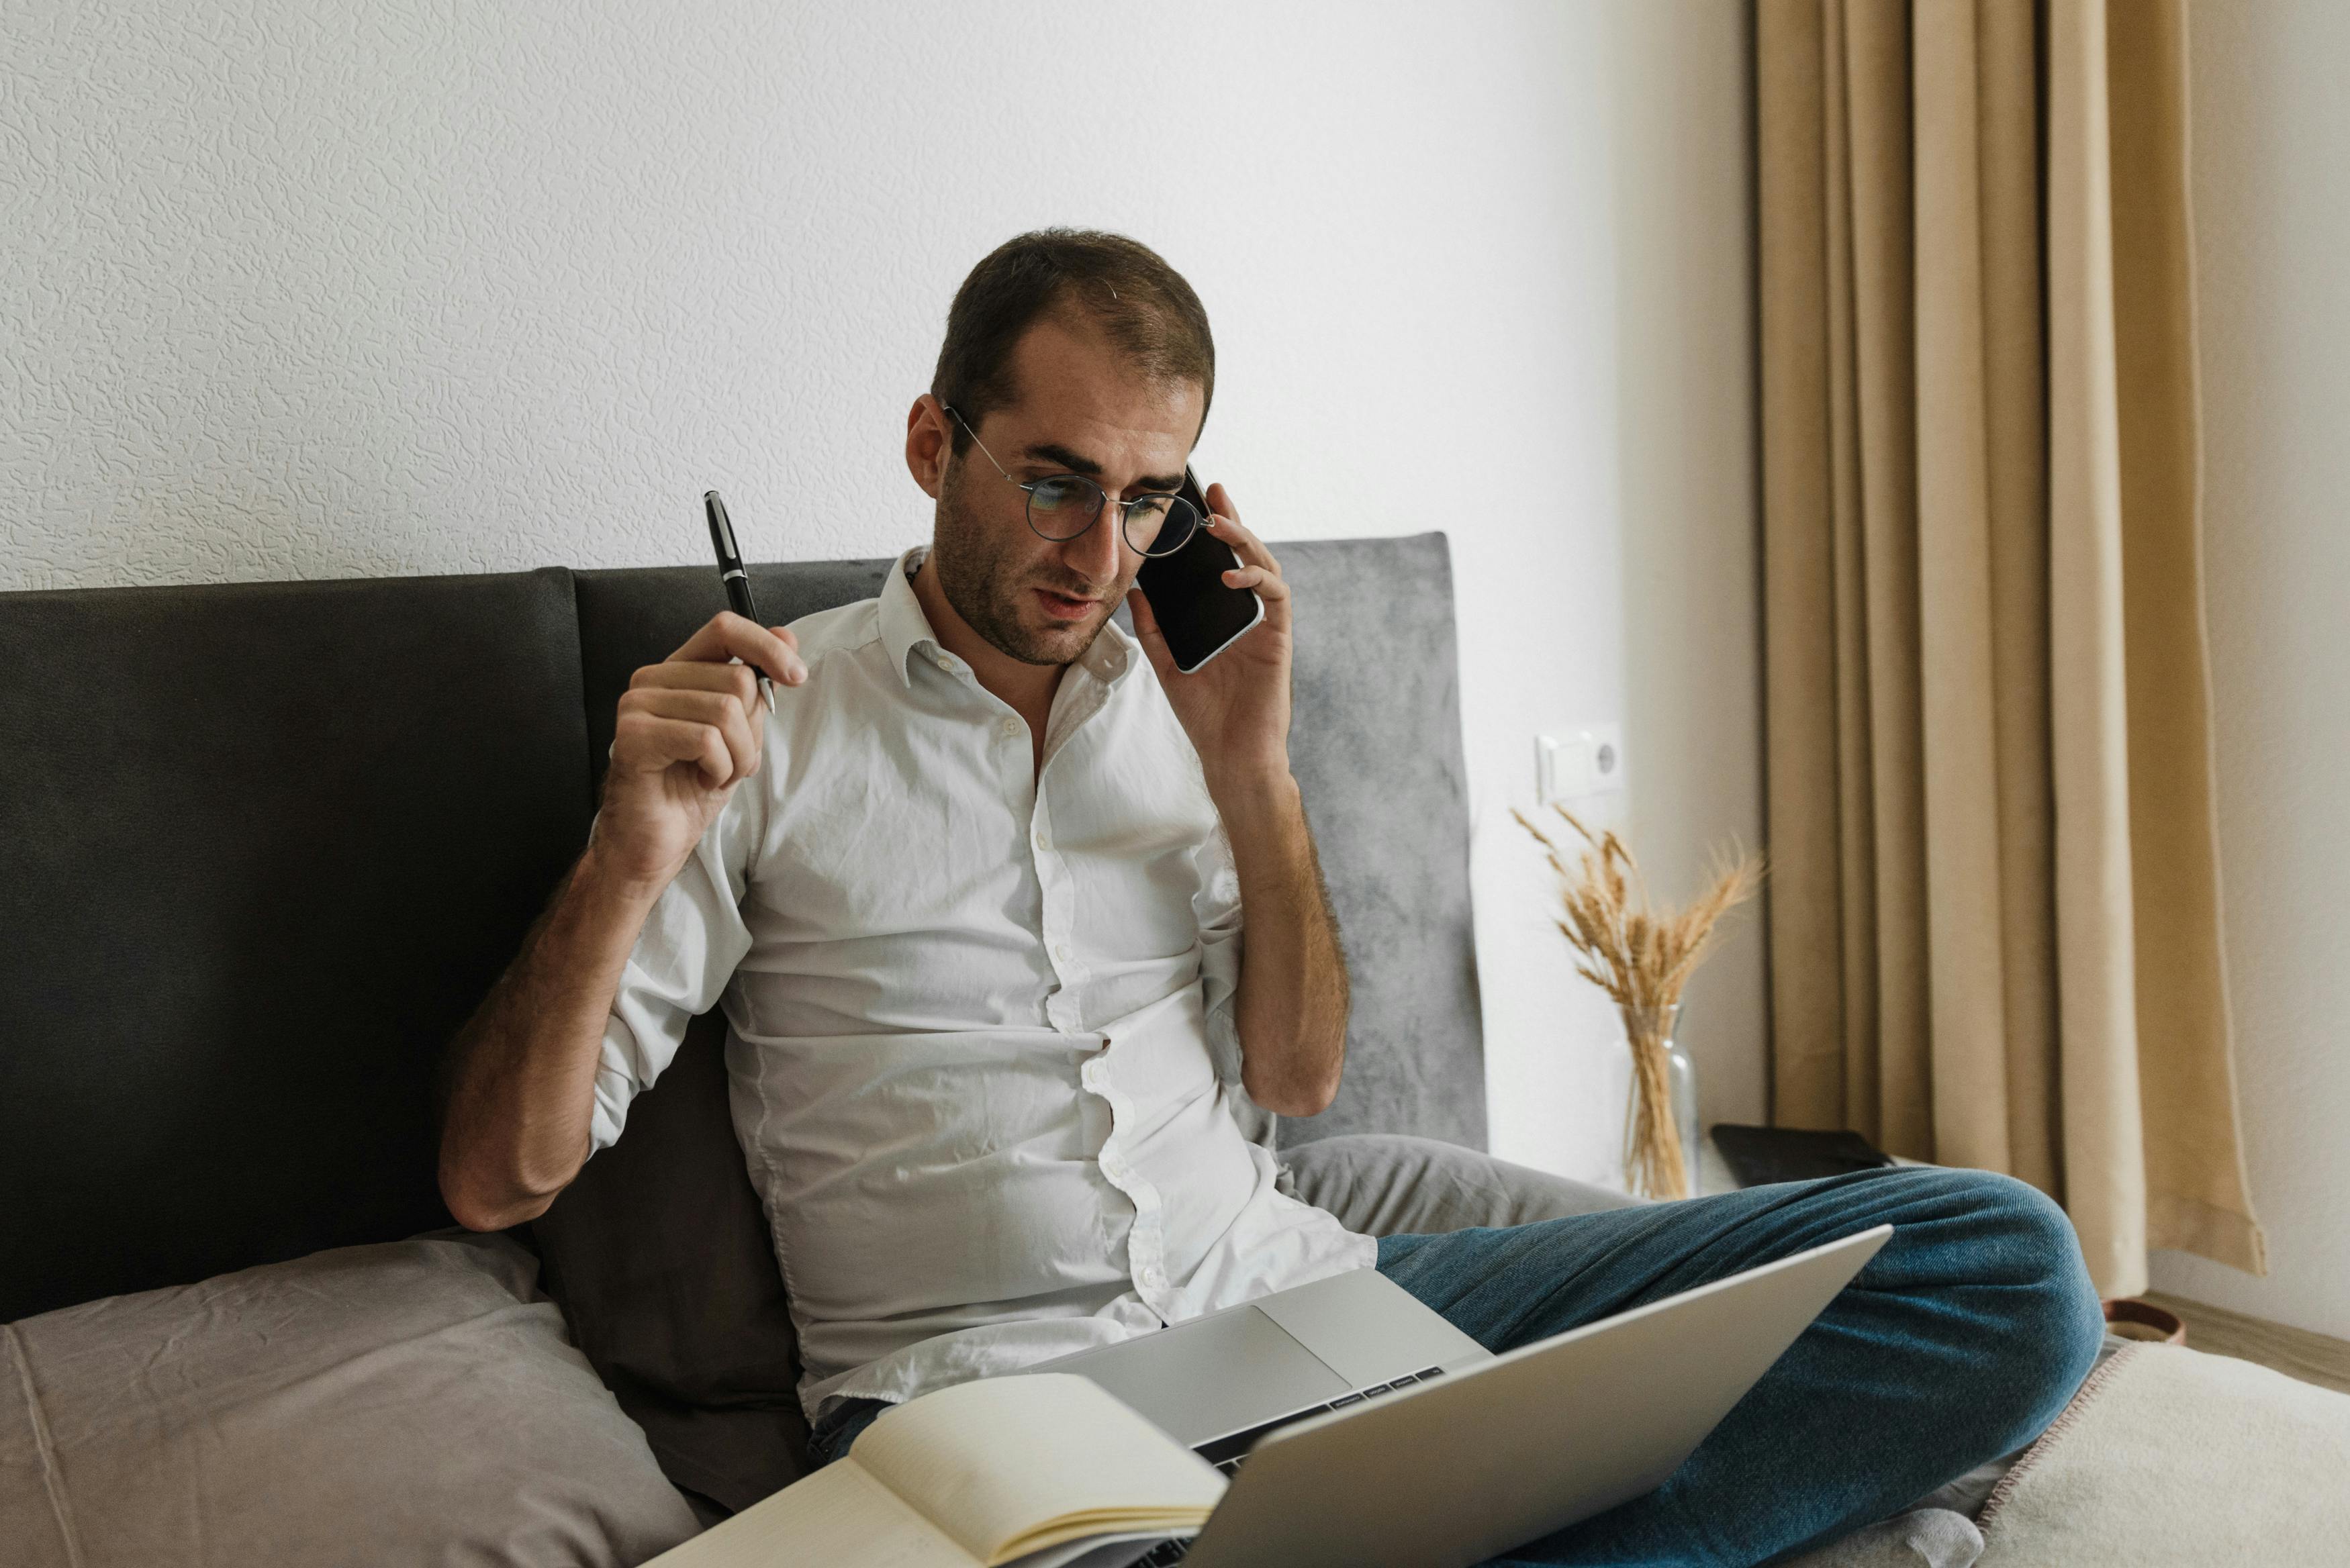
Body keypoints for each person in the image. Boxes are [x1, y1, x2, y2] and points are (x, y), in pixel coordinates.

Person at [436, 229, 2104, 1567]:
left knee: (2006, 1264)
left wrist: (1254, 770)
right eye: (1053, 476)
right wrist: (628, 852)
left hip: (1304, 1301)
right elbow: (497, 1176)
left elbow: (1299, 1083)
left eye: (1147, 496)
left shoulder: (1189, 705)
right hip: (990, 1401)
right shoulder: (774, 730)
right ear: (933, 440)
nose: (1098, 551)